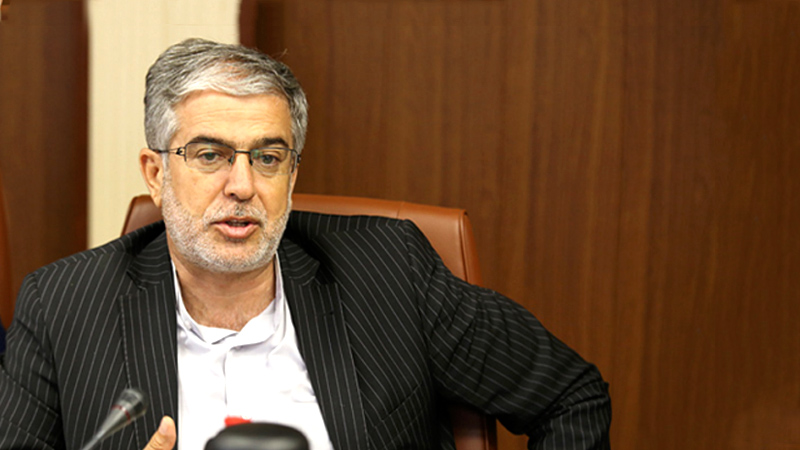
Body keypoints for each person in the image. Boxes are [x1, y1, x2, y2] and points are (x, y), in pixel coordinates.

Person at [0, 38, 611, 450]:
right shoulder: (62, 305)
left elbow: (570, 396)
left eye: (268, 157)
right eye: (210, 155)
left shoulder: (387, 271)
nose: (242, 186)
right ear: (156, 174)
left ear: (292, 176)